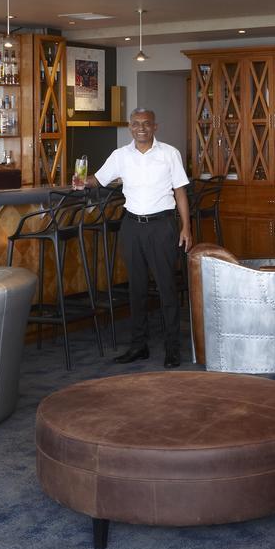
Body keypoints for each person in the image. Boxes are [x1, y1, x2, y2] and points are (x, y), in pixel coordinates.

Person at [80, 108, 193, 367]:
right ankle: (138, 346)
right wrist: (80, 178)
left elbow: (180, 192)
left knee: (166, 288)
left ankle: (172, 348)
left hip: (162, 226)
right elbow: (98, 180)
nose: (141, 128)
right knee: (137, 289)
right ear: (130, 127)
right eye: (136, 124)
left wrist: (186, 227)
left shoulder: (169, 154)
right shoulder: (120, 156)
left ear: (155, 127)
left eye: (146, 123)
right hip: (131, 226)